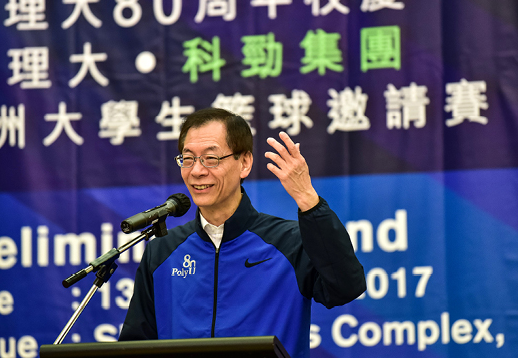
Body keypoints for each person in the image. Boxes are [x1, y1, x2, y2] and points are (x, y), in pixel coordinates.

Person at [119, 108, 366, 358]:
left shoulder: (290, 242)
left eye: (210, 158)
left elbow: (346, 287)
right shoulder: (162, 250)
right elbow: (136, 345)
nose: (196, 171)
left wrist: (308, 200)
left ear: (244, 163)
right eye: (188, 158)